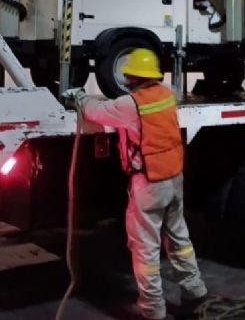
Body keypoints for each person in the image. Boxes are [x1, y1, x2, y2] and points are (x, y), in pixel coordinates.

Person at [75, 48, 207, 320]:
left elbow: (97, 112)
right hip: (174, 177)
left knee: (145, 248)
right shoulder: (168, 94)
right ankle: (195, 294)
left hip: (148, 184)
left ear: (133, 75)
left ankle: (153, 311)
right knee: (179, 238)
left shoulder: (130, 105)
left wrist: (79, 97)